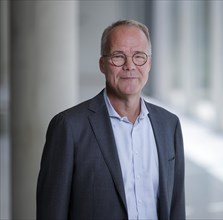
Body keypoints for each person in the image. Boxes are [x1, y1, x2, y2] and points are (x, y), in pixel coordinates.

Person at [37, 19, 185, 220]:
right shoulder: (69, 127)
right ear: (102, 64)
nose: (130, 66)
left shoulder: (169, 125)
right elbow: (51, 212)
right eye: (118, 56)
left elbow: (176, 206)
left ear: (149, 63)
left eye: (139, 56)